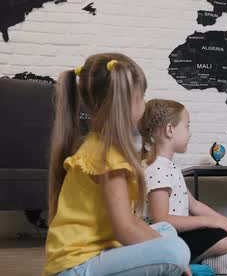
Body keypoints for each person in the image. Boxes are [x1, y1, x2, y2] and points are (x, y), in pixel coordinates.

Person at [44, 53, 190, 276]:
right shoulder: (109, 158)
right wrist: (174, 257)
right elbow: (125, 231)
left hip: (82, 261)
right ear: (125, 102)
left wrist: (161, 244)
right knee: (177, 250)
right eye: (142, 97)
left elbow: (129, 220)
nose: (144, 105)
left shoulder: (96, 146)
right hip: (77, 268)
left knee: (166, 230)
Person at [138, 99, 227, 274]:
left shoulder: (170, 167)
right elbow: (161, 220)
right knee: (223, 239)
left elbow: (194, 205)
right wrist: (209, 221)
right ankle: (206, 262)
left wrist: (223, 221)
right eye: (187, 126)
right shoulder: (158, 169)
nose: (190, 133)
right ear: (170, 130)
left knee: (223, 234)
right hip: (165, 241)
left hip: (177, 236)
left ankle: (209, 260)